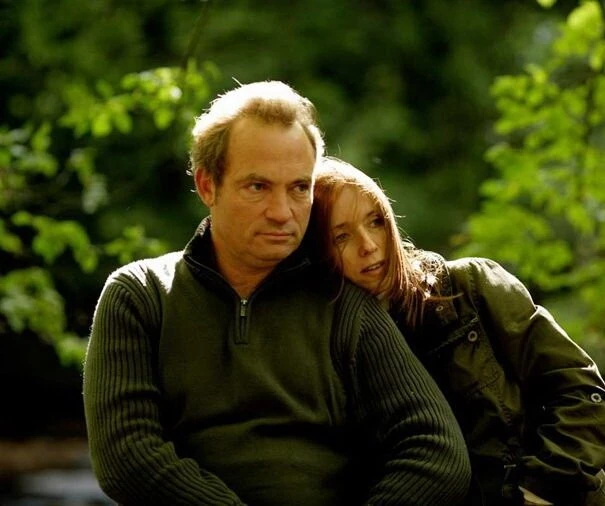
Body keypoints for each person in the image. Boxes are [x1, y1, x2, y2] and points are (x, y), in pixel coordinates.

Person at [83, 81, 471, 506]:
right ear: (208, 186)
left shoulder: (344, 306)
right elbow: (128, 455)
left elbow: (437, 450)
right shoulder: (140, 296)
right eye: (258, 187)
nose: (283, 212)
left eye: (299, 188)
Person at [310, 156, 605, 506]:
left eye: (375, 221)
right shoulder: (329, 346)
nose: (368, 245)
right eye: (341, 236)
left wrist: (540, 491)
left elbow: (579, 389)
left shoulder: (469, 289)